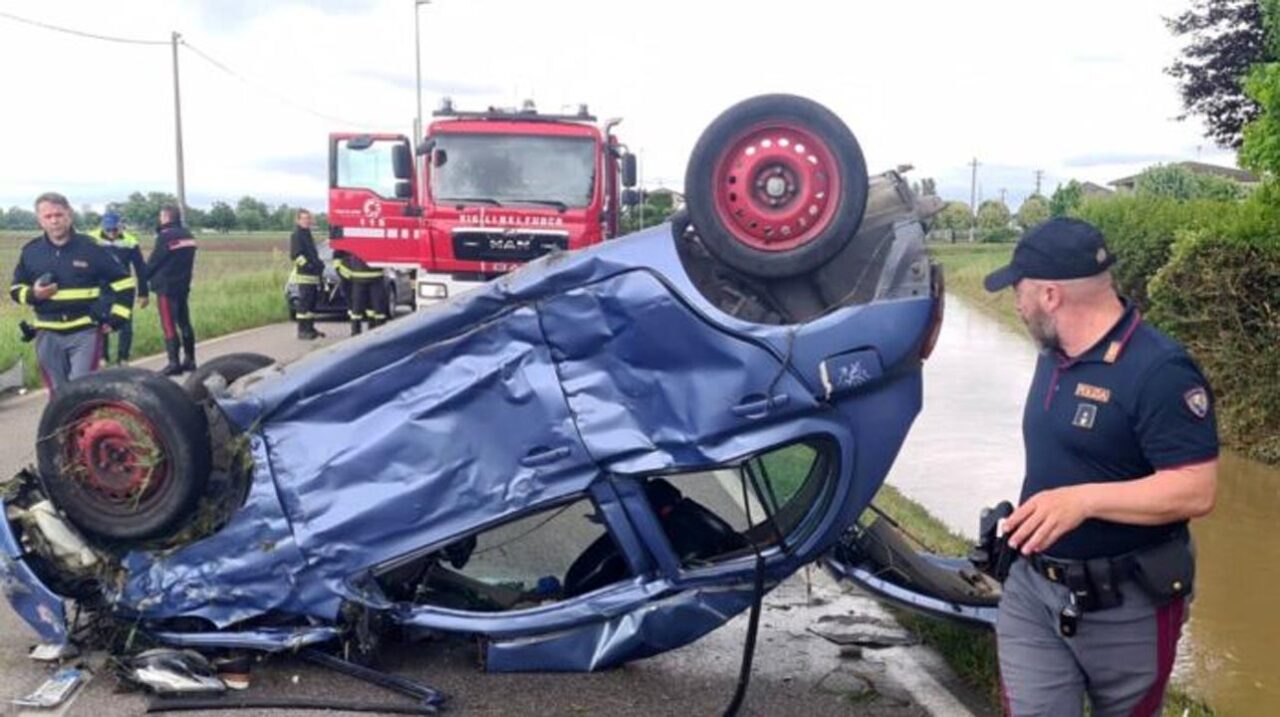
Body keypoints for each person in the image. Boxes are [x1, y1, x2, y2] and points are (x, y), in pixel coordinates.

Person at [983, 218, 1218, 717]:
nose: (1017, 304)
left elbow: (1196, 490)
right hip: (1032, 589)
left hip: (1127, 607)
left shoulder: (1160, 372)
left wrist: (1084, 500)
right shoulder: (1054, 354)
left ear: (1050, 295)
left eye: (1019, 291)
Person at [8, 192, 135, 391]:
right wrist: (34, 295)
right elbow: (15, 290)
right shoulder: (31, 252)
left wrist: (117, 318)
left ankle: (88, 422)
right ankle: (63, 424)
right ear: (39, 220)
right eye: (48, 217)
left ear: (69, 214)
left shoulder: (92, 249)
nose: (54, 221)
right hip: (46, 333)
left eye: (58, 215)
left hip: (85, 333)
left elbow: (125, 283)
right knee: (58, 395)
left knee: (81, 390)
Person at [85, 210, 149, 364]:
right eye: (108, 229)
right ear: (102, 227)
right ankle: (102, 357)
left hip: (123, 289)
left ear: (120, 227)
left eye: (114, 229)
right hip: (100, 288)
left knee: (125, 324)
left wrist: (143, 293)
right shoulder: (91, 239)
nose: (112, 233)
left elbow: (140, 268)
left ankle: (123, 358)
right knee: (101, 322)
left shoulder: (130, 241)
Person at [147, 204, 198, 376]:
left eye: (161, 217)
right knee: (184, 322)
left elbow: (155, 261)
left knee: (168, 324)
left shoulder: (165, 236)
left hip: (166, 287)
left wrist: (143, 277)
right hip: (183, 285)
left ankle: (173, 363)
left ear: (167, 217)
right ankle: (190, 359)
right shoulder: (189, 235)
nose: (159, 220)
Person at [289, 209, 326, 340]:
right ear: (298, 220)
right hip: (305, 275)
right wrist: (308, 266)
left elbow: (312, 253)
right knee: (304, 305)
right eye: (304, 218)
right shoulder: (297, 235)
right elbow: (296, 255)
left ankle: (310, 328)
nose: (306, 221)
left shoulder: (307, 234)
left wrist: (319, 264)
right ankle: (302, 330)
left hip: (313, 275)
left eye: (308, 218)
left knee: (311, 305)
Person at [333, 249, 387, 336]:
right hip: (365, 278)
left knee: (361, 310)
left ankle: (361, 333)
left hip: (364, 278)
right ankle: (368, 333)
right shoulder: (350, 240)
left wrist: (345, 274)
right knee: (360, 310)